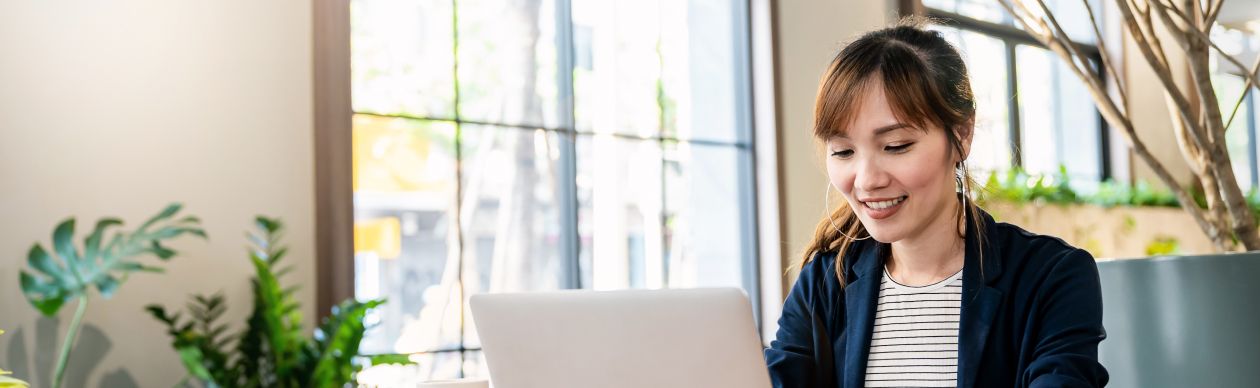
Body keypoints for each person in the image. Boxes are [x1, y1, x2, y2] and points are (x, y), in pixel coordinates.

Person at [763, 18, 1109, 388]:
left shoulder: (1050, 277)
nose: (866, 180)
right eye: (843, 151)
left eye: (896, 146)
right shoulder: (825, 282)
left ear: (961, 135)